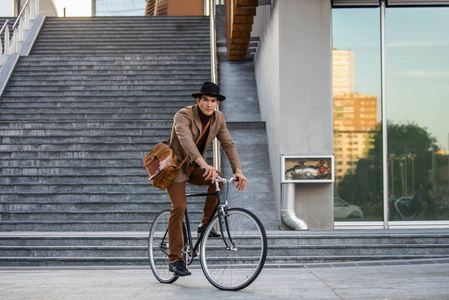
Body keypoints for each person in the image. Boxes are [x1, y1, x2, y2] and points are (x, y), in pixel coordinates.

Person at [166, 82, 247, 277]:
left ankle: (204, 225)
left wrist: (238, 170)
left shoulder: (218, 118)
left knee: (217, 178)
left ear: (217, 103)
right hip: (175, 168)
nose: (209, 105)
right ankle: (175, 258)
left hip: (194, 167)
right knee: (179, 207)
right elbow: (185, 140)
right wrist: (203, 163)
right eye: (205, 100)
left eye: (213, 101)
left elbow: (228, 143)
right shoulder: (183, 115)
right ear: (198, 100)